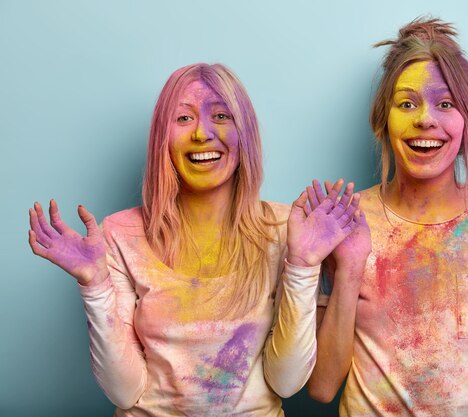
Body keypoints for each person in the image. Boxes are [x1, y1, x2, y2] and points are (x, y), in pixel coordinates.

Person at [28, 63, 362, 416]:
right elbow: (124, 392)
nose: (202, 133)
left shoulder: (286, 229)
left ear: (244, 133)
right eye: (184, 119)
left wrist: (302, 267)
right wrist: (95, 287)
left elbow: (286, 382)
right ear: (162, 138)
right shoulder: (120, 232)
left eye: (220, 115)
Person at [307, 17, 468, 416]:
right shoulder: (344, 221)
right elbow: (323, 387)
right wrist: (349, 271)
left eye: (446, 104)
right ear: (383, 119)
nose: (426, 119)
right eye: (407, 103)